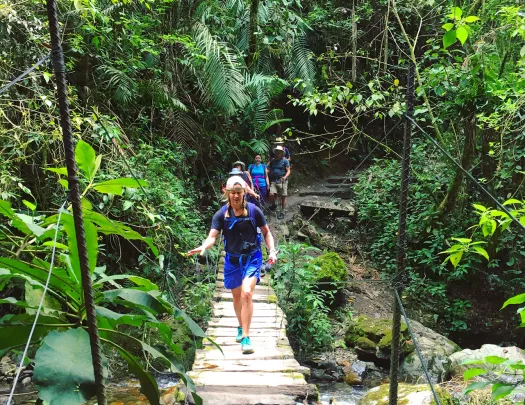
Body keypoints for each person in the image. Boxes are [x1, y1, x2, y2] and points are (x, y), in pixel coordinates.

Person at [187, 176, 277, 354]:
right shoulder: (221, 214)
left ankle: (246, 337)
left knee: (247, 293)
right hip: (232, 259)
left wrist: (272, 250)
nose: (235, 196)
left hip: (252, 257)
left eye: (238, 193)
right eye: (232, 193)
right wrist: (204, 246)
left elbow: (266, 233)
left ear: (244, 193)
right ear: (227, 194)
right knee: (237, 297)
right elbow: (213, 236)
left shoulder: (254, 211)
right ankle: (240, 325)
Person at [268, 146, 291, 220]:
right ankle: (274, 205)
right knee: (271, 194)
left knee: (283, 197)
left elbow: (288, 171)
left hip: (282, 181)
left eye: (279, 151)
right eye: (277, 151)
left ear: (282, 153)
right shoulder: (273, 161)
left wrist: (285, 177)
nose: (278, 153)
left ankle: (283, 212)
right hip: (274, 181)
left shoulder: (285, 161)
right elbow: (269, 169)